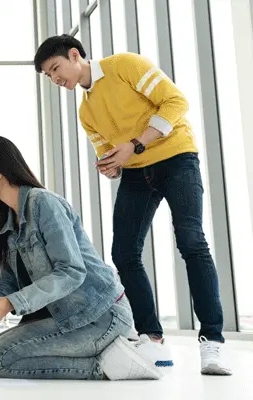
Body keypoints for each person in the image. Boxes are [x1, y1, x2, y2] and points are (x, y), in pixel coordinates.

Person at [34, 34, 230, 375]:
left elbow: (175, 102)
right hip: (137, 174)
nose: (55, 79)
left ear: (75, 55)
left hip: (177, 160)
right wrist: (110, 165)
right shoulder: (86, 111)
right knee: (123, 253)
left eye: (55, 68)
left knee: (191, 242)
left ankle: (211, 340)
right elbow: (110, 154)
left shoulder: (125, 65)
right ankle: (151, 337)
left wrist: (136, 144)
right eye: (49, 77)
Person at [0, 136, 162, 381]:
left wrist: (12, 303)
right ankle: (108, 356)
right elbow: (7, 285)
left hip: (99, 316)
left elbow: (71, 271)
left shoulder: (43, 203)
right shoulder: (8, 220)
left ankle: (109, 365)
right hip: (65, 316)